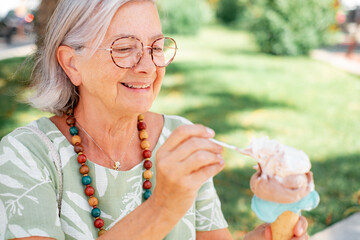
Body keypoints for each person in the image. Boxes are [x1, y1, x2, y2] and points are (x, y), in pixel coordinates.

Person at [0, 0, 309, 239]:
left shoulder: (180, 137)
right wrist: (163, 206)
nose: (148, 66)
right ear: (71, 63)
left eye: (157, 47)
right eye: (124, 48)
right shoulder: (26, 154)